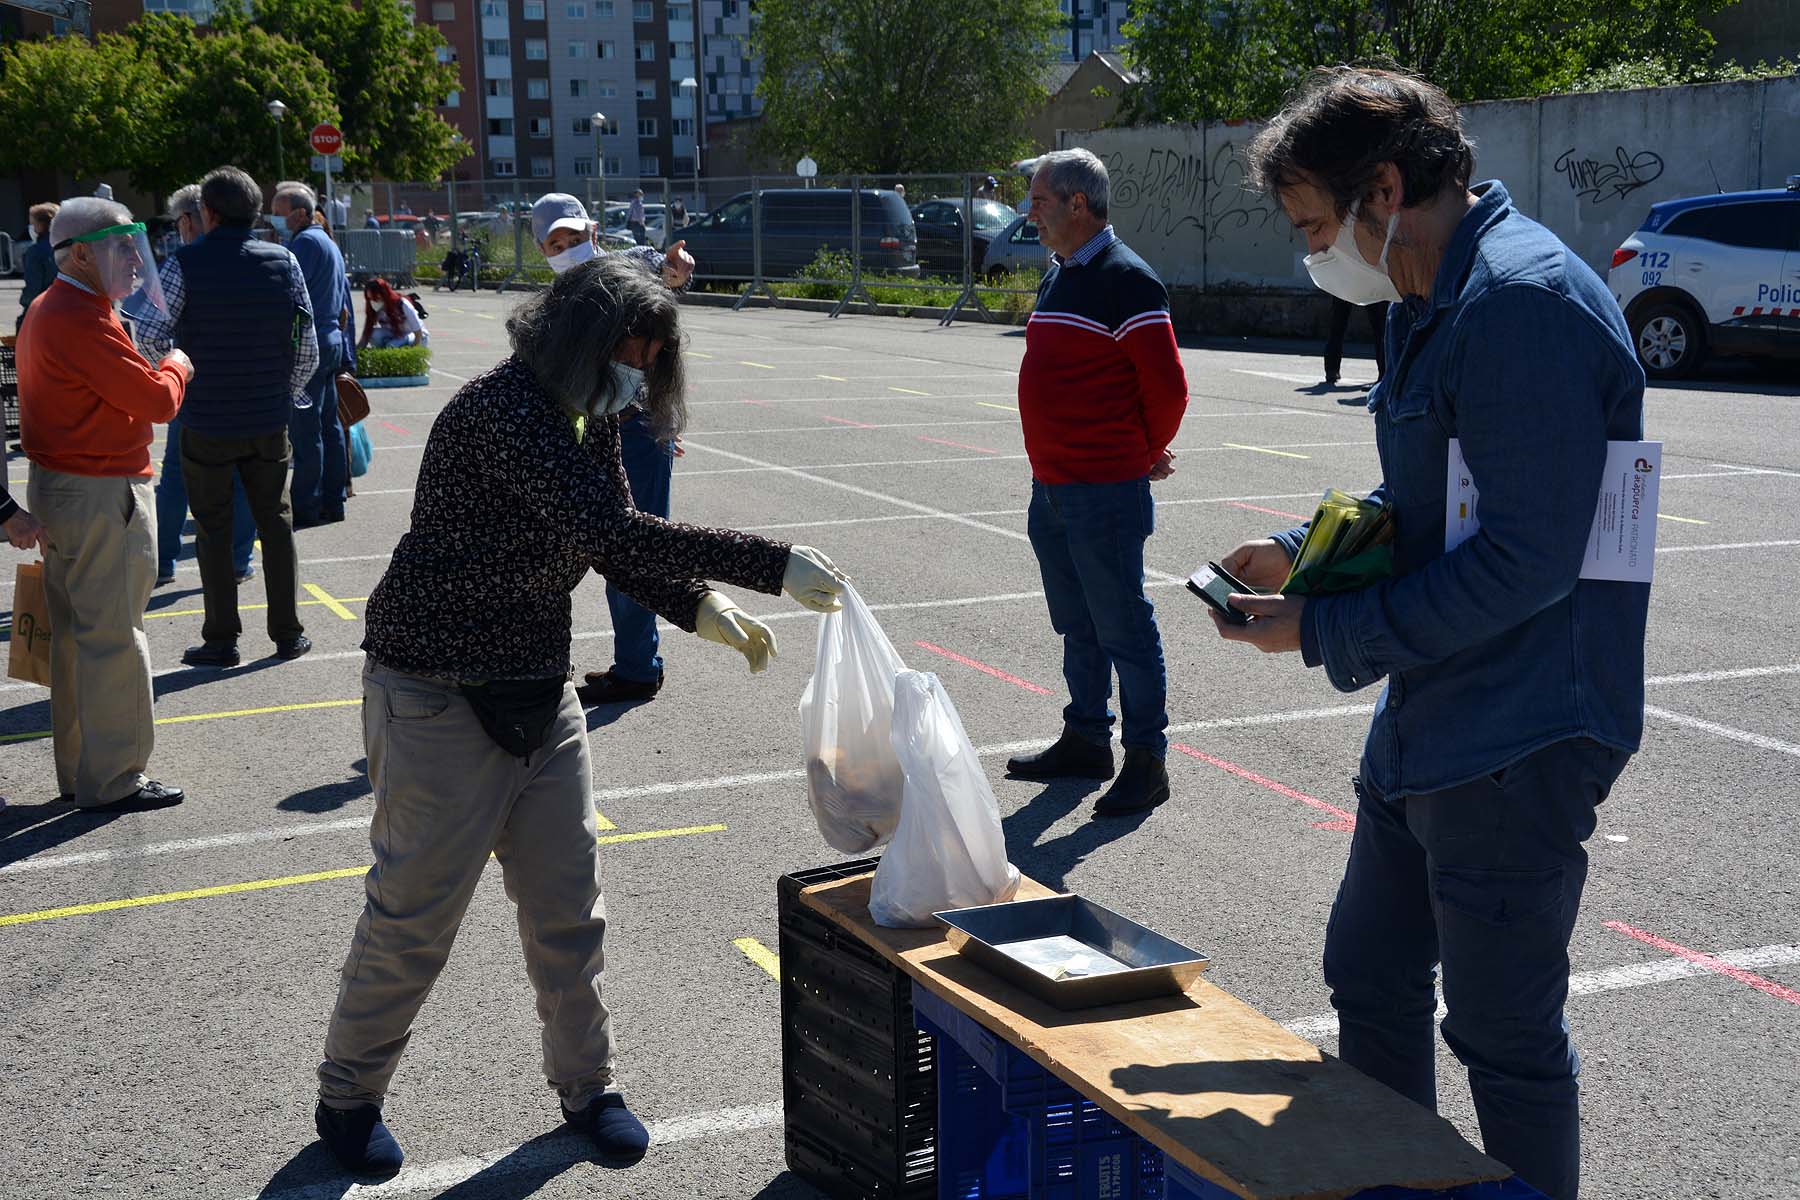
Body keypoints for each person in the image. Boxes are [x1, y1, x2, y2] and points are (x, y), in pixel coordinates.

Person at [312, 254, 848, 1176]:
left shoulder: (581, 410)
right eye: (633, 347)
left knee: (568, 912)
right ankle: (348, 1096)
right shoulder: (499, 412)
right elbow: (610, 532)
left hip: (539, 687)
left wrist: (695, 607)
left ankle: (588, 1088)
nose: (643, 366)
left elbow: (611, 531)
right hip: (435, 690)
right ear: (582, 338)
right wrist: (770, 561)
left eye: (654, 351)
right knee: (413, 916)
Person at [1216, 68, 1649, 1200]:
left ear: (1390, 187)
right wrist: (1300, 552)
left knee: (1503, 1034)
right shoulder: (1427, 291)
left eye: (1316, 224)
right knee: (1370, 975)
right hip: (1434, 712)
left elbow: (1525, 559)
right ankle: (1395, 1183)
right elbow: (1431, 506)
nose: (1313, 254)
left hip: (1520, 731)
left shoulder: (1519, 306)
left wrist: (1323, 629)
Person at [1002, 148, 1188, 817]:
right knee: (1078, 624)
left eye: (1040, 201)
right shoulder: (1062, 273)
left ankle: (1147, 759)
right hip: (1052, 486)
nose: (1031, 214)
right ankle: (1087, 737)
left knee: (1122, 625)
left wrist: (1143, 449)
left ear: (1078, 204)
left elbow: (1167, 388)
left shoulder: (1126, 278)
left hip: (1103, 489)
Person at [17, 196, 192, 811]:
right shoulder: (82, 316)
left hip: (63, 488)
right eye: (120, 245)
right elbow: (156, 402)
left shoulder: (52, 306)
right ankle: (114, 778)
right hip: (100, 491)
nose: (133, 258)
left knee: (76, 638)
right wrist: (176, 364)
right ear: (81, 254)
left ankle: (82, 772)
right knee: (114, 637)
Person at [134, 165, 318, 669]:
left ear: (207, 213)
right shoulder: (283, 260)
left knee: (213, 530)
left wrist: (177, 373)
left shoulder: (184, 263)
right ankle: (288, 632)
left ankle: (221, 639)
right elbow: (306, 343)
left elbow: (148, 333)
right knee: (276, 526)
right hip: (266, 419)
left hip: (206, 420)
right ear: (256, 213)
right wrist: (287, 391)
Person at [529, 192, 696, 705]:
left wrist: (676, 270)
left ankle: (638, 667)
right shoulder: (556, 298)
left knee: (635, 547)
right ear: (542, 249)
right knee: (578, 546)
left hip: (637, 432)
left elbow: (663, 272)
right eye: (556, 243)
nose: (568, 248)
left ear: (593, 230)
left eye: (575, 238)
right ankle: (587, 663)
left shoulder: (625, 268)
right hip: (588, 431)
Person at [150, 184, 257, 586]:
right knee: (243, 477)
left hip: (196, 392)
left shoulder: (182, 263)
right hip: (250, 390)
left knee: (176, 476)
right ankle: (238, 560)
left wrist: (171, 367)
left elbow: (148, 329)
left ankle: (162, 561)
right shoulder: (265, 258)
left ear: (192, 220)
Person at [272, 182, 353, 528]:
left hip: (309, 344)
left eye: (279, 213)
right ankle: (334, 501)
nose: (274, 220)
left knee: (307, 432)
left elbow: (288, 295)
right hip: (330, 340)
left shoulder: (303, 244)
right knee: (329, 426)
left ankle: (306, 505)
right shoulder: (327, 242)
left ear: (300, 213)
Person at [1323, 296, 1389, 385]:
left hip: (1346, 285)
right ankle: (1383, 372)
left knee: (1337, 324)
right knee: (1379, 327)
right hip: (1369, 286)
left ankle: (1331, 369)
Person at [17, 202, 58, 329]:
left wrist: (24, 301)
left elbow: (33, 287)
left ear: (41, 224)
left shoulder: (36, 252)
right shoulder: (69, 246)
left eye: (33, 224)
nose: (32, 228)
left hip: (43, 309)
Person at [358, 278, 428, 349]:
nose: (373, 302)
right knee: (373, 334)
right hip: (395, 334)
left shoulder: (403, 304)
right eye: (369, 299)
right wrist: (358, 350)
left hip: (415, 335)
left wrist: (414, 350)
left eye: (375, 298)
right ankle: (385, 351)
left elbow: (418, 332)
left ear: (384, 295)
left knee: (392, 345)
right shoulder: (374, 308)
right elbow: (367, 332)